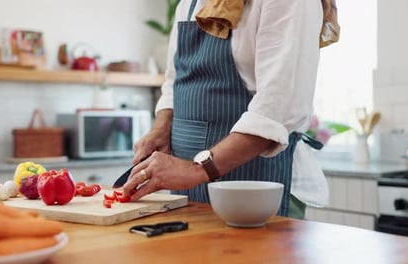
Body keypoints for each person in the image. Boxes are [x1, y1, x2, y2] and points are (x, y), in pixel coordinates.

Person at [122, 0, 340, 218]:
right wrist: (161, 127)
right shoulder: (189, 4)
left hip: (258, 191)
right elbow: (173, 82)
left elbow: (275, 110)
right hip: (188, 193)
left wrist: (196, 170)